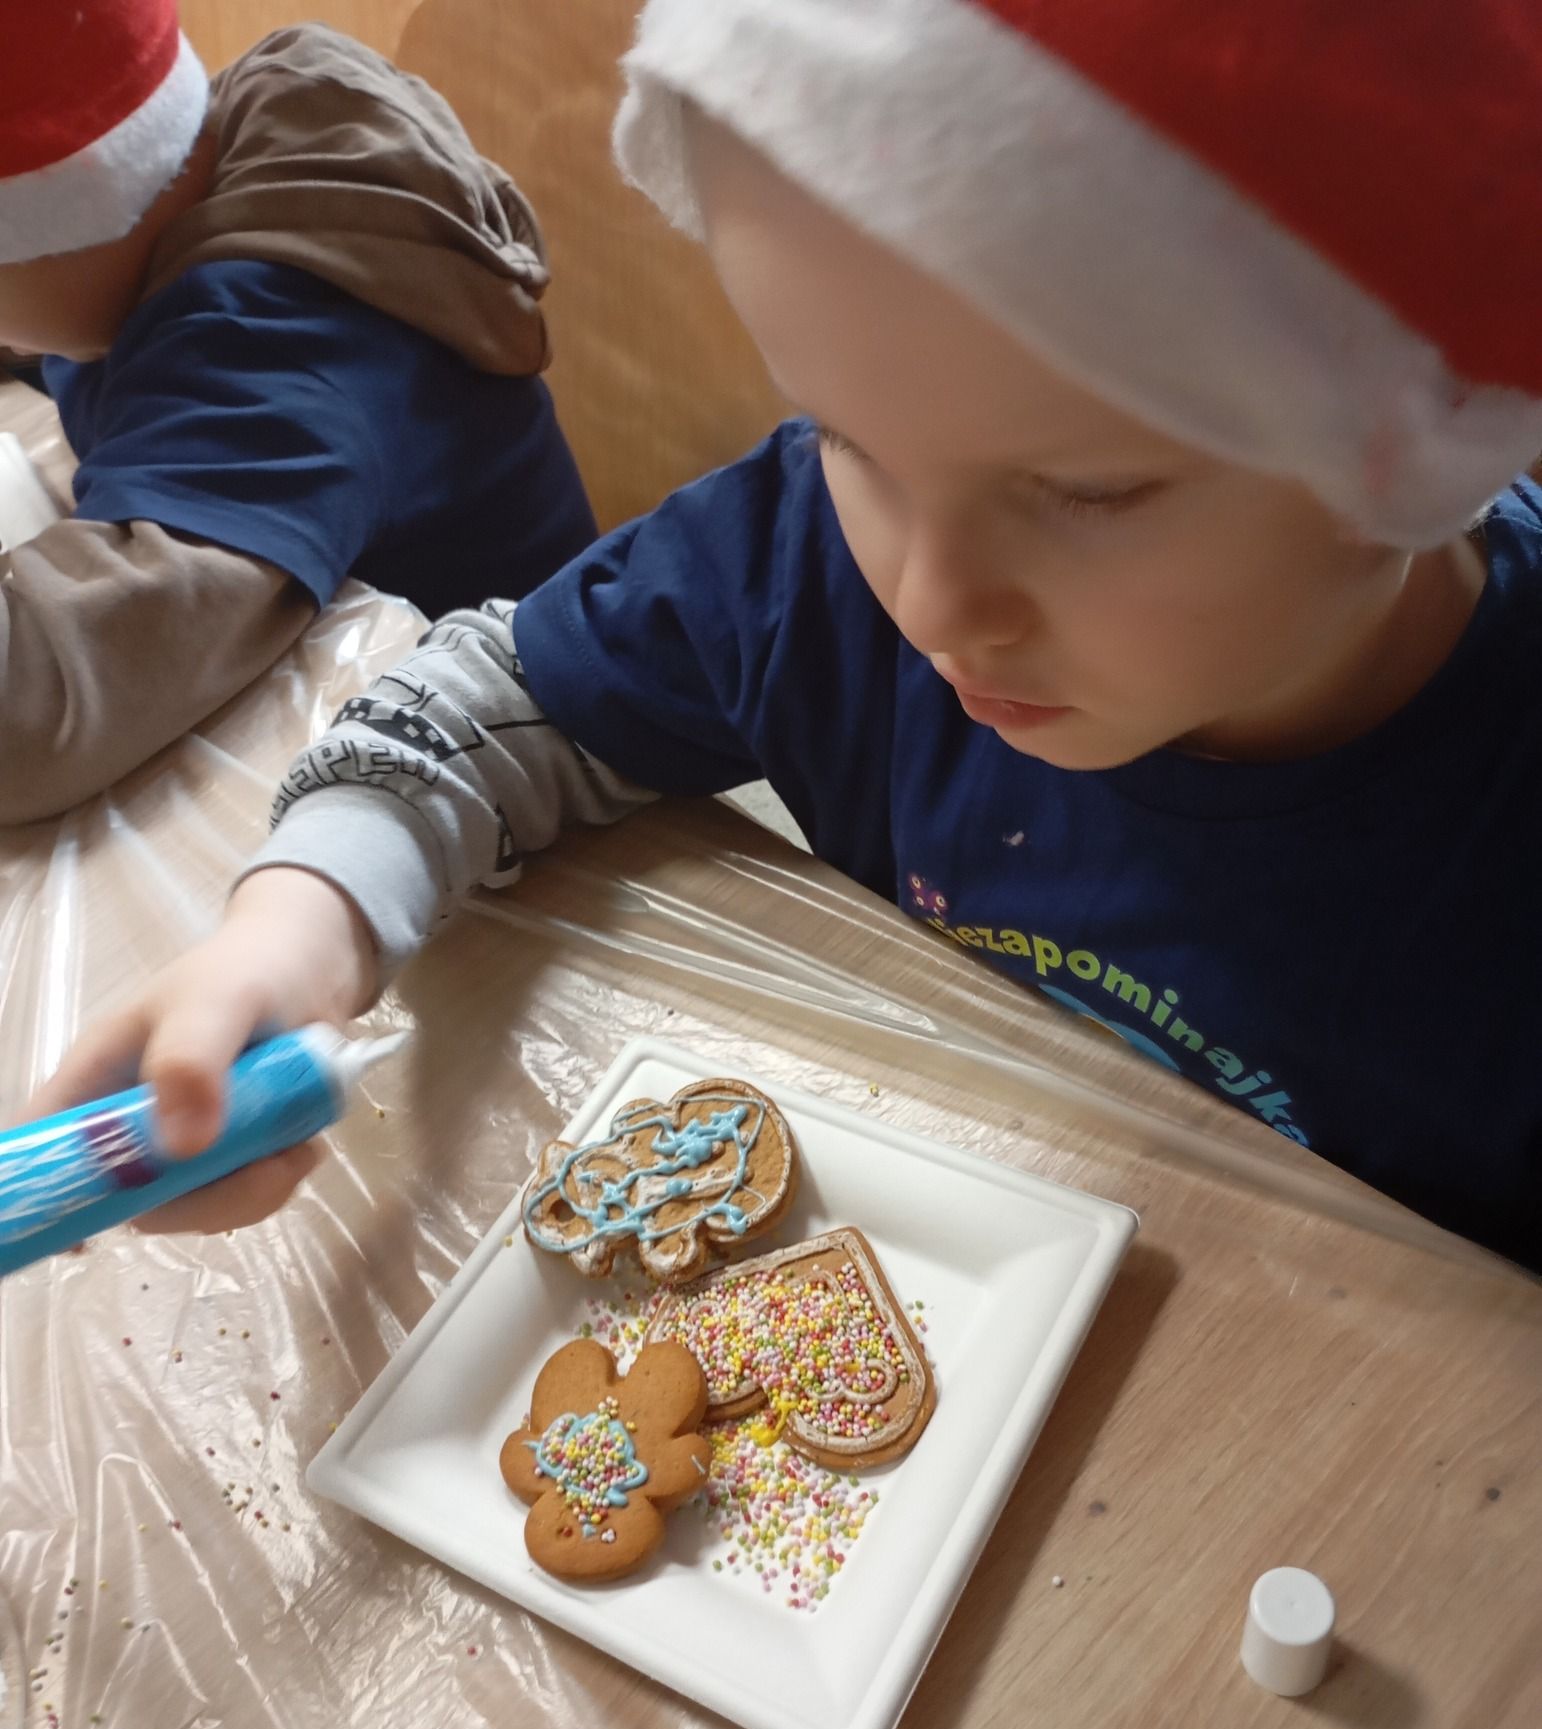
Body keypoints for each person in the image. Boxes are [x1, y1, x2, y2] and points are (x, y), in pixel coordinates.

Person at [31, 0, 1542, 1267]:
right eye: (848, 436)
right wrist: (300, 930)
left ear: (1417, 452)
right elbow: (495, 700)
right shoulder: (807, 566)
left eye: (1089, 493)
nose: (931, 604)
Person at [0, 0, 594, 822]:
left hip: (505, 777)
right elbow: (47, 303)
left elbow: (39, 710)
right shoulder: (183, 177)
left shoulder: (268, 351)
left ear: (56, 225)